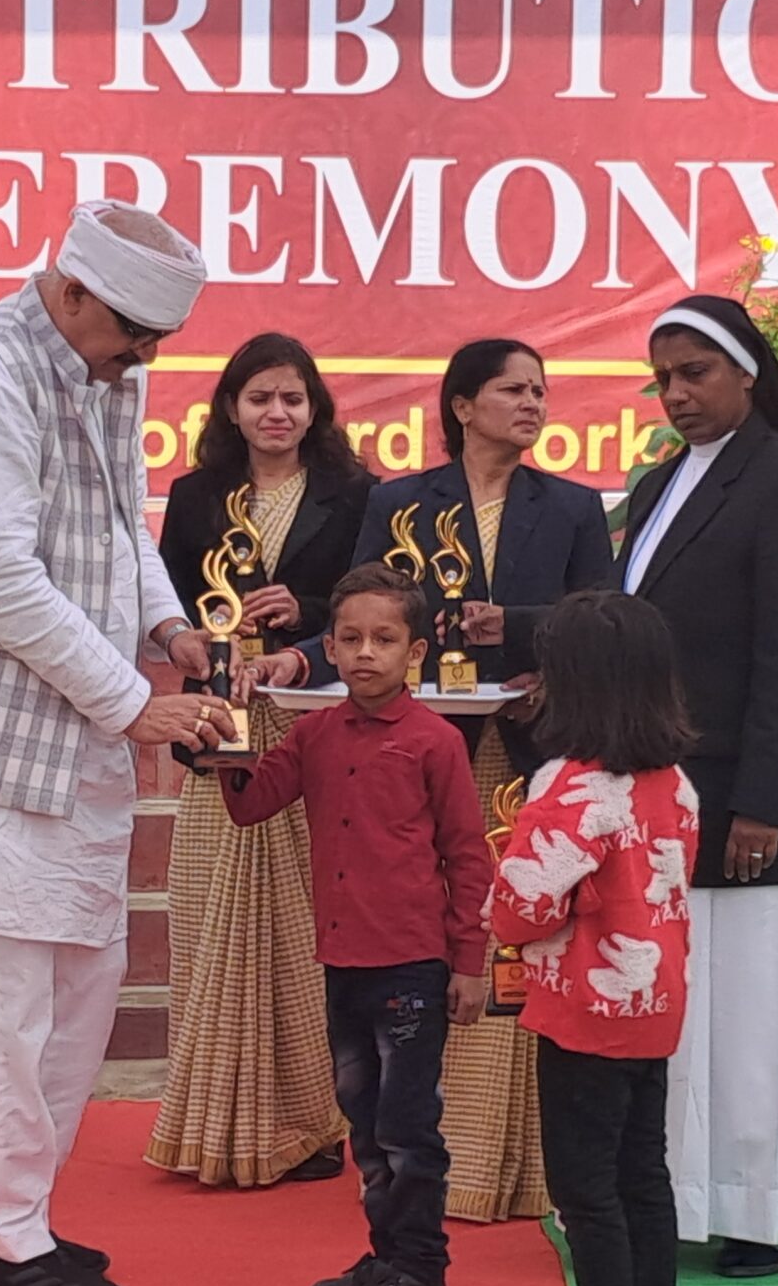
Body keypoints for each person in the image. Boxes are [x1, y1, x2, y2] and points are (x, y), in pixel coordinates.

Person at [0, 201, 225, 1286]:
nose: (145, 359)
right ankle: (2, 1246)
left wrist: (168, 628)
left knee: (82, 990)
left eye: (157, 341)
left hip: (77, 740)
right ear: (72, 291)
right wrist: (135, 703)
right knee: (11, 1009)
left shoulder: (100, 370)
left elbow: (123, 525)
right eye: (134, 334)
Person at [255, 338, 614, 1223]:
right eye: (513, 390)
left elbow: (601, 621)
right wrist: (301, 661)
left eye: (540, 391)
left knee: (514, 936)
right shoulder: (400, 501)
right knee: (424, 965)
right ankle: (414, 1176)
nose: (532, 405)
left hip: (526, 748)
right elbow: (361, 612)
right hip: (413, 751)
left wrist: (518, 630)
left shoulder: (572, 506)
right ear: (461, 405)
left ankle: (510, 1166)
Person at [621, 293, 778, 1279]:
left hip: (756, 804)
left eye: (696, 373)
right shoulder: (657, 485)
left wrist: (763, 802)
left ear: (748, 374)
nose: (677, 394)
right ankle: (676, 1198)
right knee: (682, 1015)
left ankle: (758, 1212)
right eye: (663, 379)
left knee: (754, 1017)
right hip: (667, 794)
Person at [217, 564, 492, 1286]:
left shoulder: (435, 741)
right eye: (351, 637)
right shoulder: (313, 733)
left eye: (385, 638)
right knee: (364, 1121)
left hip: (412, 962)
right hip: (342, 961)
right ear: (329, 647)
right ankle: (387, 1254)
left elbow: (468, 856)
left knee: (408, 1126)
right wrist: (221, 743)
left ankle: (423, 1272)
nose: (366, 652)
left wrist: (469, 962)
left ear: (416, 650)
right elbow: (252, 803)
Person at [146, 334, 372, 1188]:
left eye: (292, 399)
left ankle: (313, 1119)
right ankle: (209, 1116)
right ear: (231, 409)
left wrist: (305, 611)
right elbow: (169, 602)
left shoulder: (355, 492)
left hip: (314, 717)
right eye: (260, 398)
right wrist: (202, 640)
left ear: (315, 409)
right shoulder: (196, 494)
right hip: (221, 719)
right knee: (212, 906)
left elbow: (376, 603)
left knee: (307, 919)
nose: (277, 413)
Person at [487, 590, 700, 1286]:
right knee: (643, 1178)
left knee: (586, 1194)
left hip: (585, 1010)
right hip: (655, 1004)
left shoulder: (572, 788)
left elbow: (517, 908)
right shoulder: (672, 780)